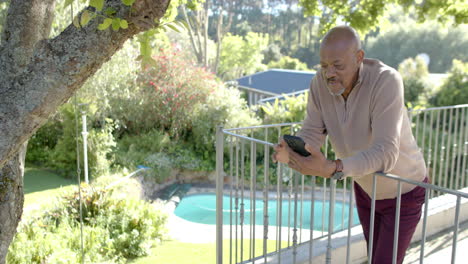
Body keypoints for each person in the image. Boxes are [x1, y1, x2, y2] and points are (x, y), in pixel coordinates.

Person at [272, 25, 427, 264]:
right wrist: (293, 149)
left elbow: (386, 153)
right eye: (324, 66)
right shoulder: (319, 84)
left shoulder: (386, 81)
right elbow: (312, 132)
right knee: (374, 256)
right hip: (365, 188)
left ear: (359, 58)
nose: (329, 74)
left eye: (338, 66)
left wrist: (333, 168)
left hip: (403, 191)